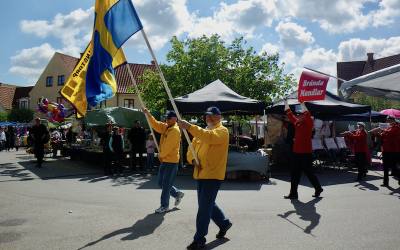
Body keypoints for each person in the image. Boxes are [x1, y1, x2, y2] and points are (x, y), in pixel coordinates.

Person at [178, 106, 232, 250]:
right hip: (200, 174)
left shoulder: (222, 131)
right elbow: (190, 149)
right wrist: (192, 161)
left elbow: (209, 138)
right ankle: (224, 223)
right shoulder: (202, 132)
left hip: (213, 175)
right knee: (207, 204)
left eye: (213, 116)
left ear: (219, 117)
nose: (209, 118)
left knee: (203, 208)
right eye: (208, 116)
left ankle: (199, 238)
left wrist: (189, 126)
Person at [142, 108, 184, 213]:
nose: (167, 119)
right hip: (165, 160)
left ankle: (164, 206)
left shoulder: (175, 130)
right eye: (166, 118)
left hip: (171, 161)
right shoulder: (166, 127)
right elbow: (155, 125)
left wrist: (161, 155)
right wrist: (148, 114)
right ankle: (177, 193)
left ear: (175, 119)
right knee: (161, 182)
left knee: (165, 184)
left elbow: (169, 146)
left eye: (169, 118)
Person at [283, 100, 323, 199]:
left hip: (305, 153)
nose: (298, 117)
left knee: (309, 173)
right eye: (298, 116)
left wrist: (302, 104)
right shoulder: (297, 123)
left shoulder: (309, 123)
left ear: (304, 116)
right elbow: (290, 115)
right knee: (294, 173)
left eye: (300, 116)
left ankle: (318, 188)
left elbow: (308, 114)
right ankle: (293, 193)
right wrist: (286, 104)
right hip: (297, 152)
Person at [373, 115, 400, 187]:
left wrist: (383, 129)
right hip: (385, 149)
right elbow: (382, 137)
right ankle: (385, 182)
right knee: (385, 166)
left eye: (391, 120)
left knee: (393, 166)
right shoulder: (387, 129)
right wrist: (376, 133)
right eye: (388, 121)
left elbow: (390, 133)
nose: (389, 122)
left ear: (394, 121)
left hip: (393, 150)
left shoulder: (397, 128)